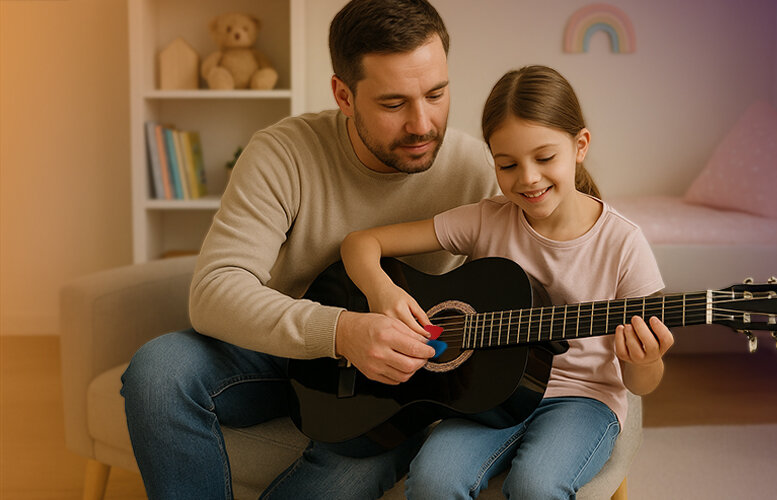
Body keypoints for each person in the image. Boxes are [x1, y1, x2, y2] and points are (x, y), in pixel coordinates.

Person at [119, 0, 498, 498]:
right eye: (393, 104)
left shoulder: (478, 168)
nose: (422, 124)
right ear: (343, 94)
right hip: (281, 355)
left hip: (398, 388)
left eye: (436, 93)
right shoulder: (283, 153)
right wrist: (340, 332)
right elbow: (213, 290)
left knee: (360, 462)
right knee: (158, 370)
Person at [341, 65, 675, 499]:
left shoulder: (623, 243)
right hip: (488, 396)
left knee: (535, 485)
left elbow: (642, 384)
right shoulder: (486, 220)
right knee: (433, 479)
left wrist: (645, 360)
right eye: (507, 164)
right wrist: (381, 291)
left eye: (544, 157)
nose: (528, 178)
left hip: (583, 399)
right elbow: (359, 243)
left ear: (580, 146)